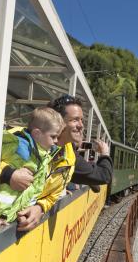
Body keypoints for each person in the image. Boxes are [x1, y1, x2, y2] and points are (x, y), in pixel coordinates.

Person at [10, 95, 113, 231]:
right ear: (58, 120)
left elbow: (100, 177)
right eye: (75, 120)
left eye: (81, 120)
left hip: (21, 223)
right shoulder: (23, 137)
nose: (81, 125)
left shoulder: (69, 155)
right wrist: (9, 174)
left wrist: (40, 207)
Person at [0, 107, 64, 222]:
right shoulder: (17, 144)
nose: (56, 141)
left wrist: (21, 212)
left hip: (4, 220)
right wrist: (8, 173)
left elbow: (30, 192)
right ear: (37, 134)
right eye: (53, 136)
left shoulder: (43, 159)